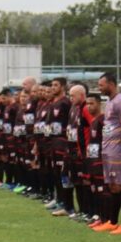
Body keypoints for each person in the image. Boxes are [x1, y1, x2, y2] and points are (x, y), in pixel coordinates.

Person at [96, 72, 121, 234]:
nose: (99, 88)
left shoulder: (120, 101)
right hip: (107, 149)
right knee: (112, 186)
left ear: (111, 84)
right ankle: (112, 221)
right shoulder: (110, 101)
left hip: (117, 150)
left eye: (101, 85)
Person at [62, 83, 91, 220]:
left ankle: (87, 211)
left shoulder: (86, 109)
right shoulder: (74, 108)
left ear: (82, 95)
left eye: (73, 95)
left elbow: (91, 129)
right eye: (69, 95)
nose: (70, 98)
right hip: (72, 150)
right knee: (75, 181)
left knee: (83, 182)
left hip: (82, 152)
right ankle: (79, 210)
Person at [46, 78, 73, 216]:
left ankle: (67, 204)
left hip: (62, 142)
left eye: (56, 85)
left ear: (62, 87)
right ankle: (59, 199)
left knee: (63, 173)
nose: (53, 87)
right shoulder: (53, 103)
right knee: (55, 172)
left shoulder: (65, 103)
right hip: (53, 142)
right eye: (52, 85)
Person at [84, 94, 107, 228]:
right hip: (92, 159)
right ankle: (99, 216)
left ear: (98, 103)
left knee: (102, 189)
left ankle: (106, 219)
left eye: (91, 103)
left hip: (100, 160)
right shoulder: (93, 120)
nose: (89, 106)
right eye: (87, 104)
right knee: (95, 189)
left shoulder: (103, 120)